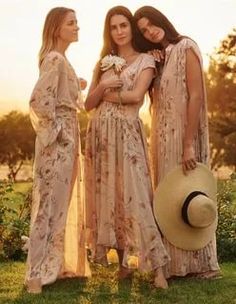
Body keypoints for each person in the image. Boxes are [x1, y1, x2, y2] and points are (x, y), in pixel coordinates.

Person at [84, 6, 170, 289]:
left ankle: (158, 267)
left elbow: (135, 97)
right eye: (113, 27)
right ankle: (123, 264)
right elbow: (87, 105)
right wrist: (102, 87)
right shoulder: (103, 62)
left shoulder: (147, 60)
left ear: (131, 28)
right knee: (111, 197)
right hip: (101, 135)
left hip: (128, 134)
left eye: (123, 25)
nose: (119, 31)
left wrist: (106, 92)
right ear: (108, 32)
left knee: (138, 196)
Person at [134, 6, 220, 279]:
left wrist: (188, 144)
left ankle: (202, 265)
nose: (150, 31)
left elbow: (196, 96)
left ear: (161, 20)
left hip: (185, 136)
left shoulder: (186, 46)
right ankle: (174, 265)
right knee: (169, 200)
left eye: (151, 25)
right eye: (144, 31)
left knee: (189, 194)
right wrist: (151, 60)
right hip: (161, 139)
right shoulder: (159, 58)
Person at [25, 7, 90, 293]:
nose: (77, 27)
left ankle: (54, 265)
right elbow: (40, 100)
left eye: (77, 22)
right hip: (58, 142)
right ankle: (34, 276)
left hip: (69, 139)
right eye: (71, 23)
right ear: (56, 28)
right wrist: (57, 133)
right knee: (47, 207)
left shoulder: (62, 60)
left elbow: (61, 93)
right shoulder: (54, 58)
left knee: (60, 205)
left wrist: (76, 84)